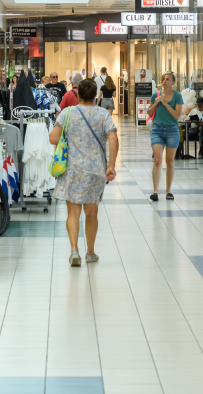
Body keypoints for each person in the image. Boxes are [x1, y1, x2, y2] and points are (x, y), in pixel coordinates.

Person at [49, 78, 119, 266]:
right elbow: (113, 138)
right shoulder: (103, 114)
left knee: (73, 213)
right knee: (91, 214)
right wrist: (111, 165)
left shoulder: (67, 113)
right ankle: (90, 252)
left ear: (78, 94)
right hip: (95, 170)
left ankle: (74, 250)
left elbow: (53, 139)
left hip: (71, 170)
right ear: (95, 95)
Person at [146, 72, 184, 201]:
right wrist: (156, 103)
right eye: (163, 79)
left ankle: (168, 191)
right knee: (157, 160)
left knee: (170, 161)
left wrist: (165, 104)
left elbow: (177, 115)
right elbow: (149, 112)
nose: (164, 81)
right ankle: (155, 191)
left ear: (172, 83)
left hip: (172, 130)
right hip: (157, 129)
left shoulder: (177, 96)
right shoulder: (155, 95)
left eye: (167, 79)